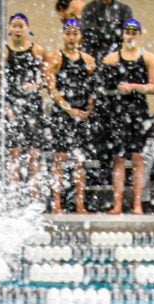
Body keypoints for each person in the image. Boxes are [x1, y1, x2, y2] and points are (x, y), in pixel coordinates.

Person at [99, 18, 154, 214]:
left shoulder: (149, 58)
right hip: (117, 112)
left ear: (139, 35)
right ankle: (117, 204)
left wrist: (134, 87)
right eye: (128, 32)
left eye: (134, 32)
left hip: (138, 111)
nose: (131, 35)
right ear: (123, 35)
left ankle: (137, 204)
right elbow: (101, 89)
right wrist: (117, 91)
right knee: (118, 158)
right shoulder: (111, 59)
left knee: (138, 158)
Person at [47, 19, 96, 213]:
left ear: (80, 36)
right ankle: (57, 203)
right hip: (63, 114)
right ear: (63, 35)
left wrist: (89, 109)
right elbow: (52, 89)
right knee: (59, 159)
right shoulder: (55, 58)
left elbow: (93, 88)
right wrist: (69, 109)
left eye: (75, 33)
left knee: (79, 160)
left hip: (82, 115)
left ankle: (80, 203)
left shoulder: (89, 60)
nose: (72, 37)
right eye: (68, 33)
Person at [3, 13, 48, 201]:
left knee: (33, 154)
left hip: (32, 107)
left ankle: (34, 197)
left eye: (21, 26)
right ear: (9, 28)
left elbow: (47, 80)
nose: (18, 29)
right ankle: (13, 197)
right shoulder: (4, 52)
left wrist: (36, 86)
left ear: (27, 28)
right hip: (13, 106)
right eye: (15, 25)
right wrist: (5, 105)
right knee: (14, 154)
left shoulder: (37, 51)